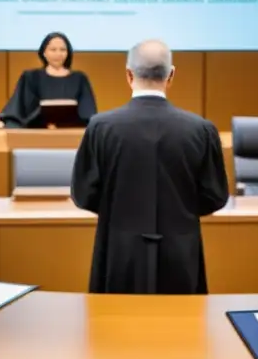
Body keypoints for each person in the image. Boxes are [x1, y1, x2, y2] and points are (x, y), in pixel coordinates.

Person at [71, 39, 229, 294]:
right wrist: (180, 210)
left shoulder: (101, 127)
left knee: (115, 326)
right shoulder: (201, 129)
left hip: (118, 253)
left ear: (128, 74)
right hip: (180, 254)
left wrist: (119, 210)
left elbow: (84, 194)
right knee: (181, 327)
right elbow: (215, 197)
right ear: (171, 75)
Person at [0, 32, 98, 129]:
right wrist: (2, 119)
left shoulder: (79, 78)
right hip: (36, 132)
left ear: (68, 53)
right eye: (53, 50)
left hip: (72, 133)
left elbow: (88, 113)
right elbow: (19, 108)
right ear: (44, 53)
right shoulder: (31, 77)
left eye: (63, 50)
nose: (58, 54)